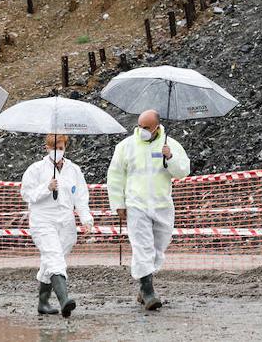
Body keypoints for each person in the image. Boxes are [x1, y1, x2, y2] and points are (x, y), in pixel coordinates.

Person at [107, 109, 190, 311]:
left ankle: (144, 287)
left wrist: (170, 157)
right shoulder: (126, 146)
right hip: (136, 205)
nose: (141, 130)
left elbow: (183, 172)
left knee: (158, 249)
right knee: (142, 247)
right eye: (139, 126)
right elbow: (115, 176)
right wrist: (118, 203)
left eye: (146, 127)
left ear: (156, 127)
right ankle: (148, 291)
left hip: (162, 205)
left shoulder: (170, 145)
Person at [20, 134, 93, 318]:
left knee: (53, 259)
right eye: (53, 147)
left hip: (66, 221)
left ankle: (43, 302)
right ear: (46, 147)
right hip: (43, 220)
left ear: (65, 148)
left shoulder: (74, 170)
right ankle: (64, 299)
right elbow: (26, 194)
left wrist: (86, 219)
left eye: (60, 147)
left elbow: (80, 196)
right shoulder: (36, 169)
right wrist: (46, 188)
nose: (57, 151)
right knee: (53, 257)